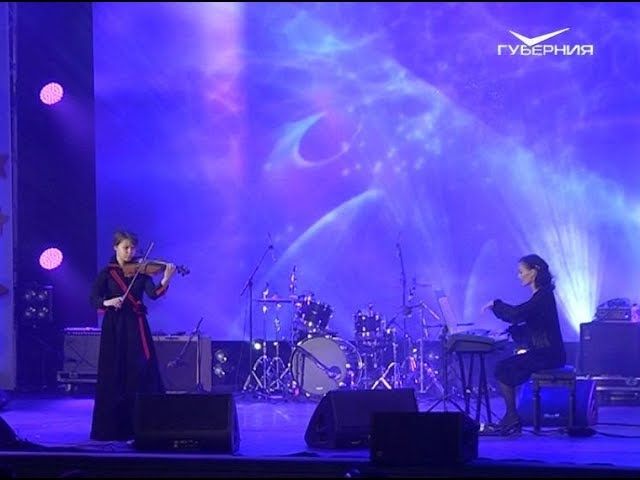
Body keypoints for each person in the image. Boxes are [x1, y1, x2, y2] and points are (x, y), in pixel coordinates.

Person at [89, 230, 176, 441]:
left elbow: (153, 295)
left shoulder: (142, 272)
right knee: (114, 372)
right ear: (115, 248)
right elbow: (93, 299)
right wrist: (108, 302)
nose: (130, 252)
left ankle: (141, 427)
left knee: (140, 371)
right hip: (114, 327)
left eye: (132, 248)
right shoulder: (106, 273)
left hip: (136, 326)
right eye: (125, 247)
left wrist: (166, 278)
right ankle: (113, 428)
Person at [482, 254, 566, 435]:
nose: (519, 276)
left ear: (533, 272)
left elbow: (516, 314)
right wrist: (508, 332)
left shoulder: (542, 297)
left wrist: (496, 305)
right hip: (545, 352)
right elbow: (532, 326)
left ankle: (512, 417)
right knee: (505, 367)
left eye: (521, 272)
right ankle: (512, 417)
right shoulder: (542, 296)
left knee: (503, 368)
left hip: (549, 355)